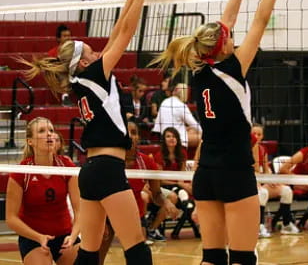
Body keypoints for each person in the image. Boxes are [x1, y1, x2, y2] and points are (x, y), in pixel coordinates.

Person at [150, 0, 305, 265]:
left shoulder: (198, 68)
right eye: (229, 37)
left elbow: (225, 22)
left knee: (212, 257)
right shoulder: (234, 66)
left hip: (206, 173)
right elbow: (260, 19)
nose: (233, 37)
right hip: (235, 171)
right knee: (243, 258)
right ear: (222, 47)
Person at [18, 0, 157, 265]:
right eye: (91, 51)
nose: (98, 52)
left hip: (91, 170)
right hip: (107, 168)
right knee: (136, 247)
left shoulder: (85, 78)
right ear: (83, 62)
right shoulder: (94, 74)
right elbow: (128, 32)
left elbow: (119, 28)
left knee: (90, 253)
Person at [98, 120, 177, 264]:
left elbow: (156, 194)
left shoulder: (146, 162)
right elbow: (98, 193)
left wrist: (166, 202)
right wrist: (100, 221)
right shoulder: (109, 161)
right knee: (97, 257)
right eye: (127, 132)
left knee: (139, 256)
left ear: (138, 137)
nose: (130, 136)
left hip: (134, 215)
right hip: (108, 214)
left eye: (134, 133)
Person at [6, 117, 80, 265]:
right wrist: (39, 237)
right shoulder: (22, 171)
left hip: (64, 234)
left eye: (51, 130)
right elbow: (11, 218)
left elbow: (80, 211)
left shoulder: (66, 166)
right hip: (33, 237)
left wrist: (73, 236)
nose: (49, 134)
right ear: (30, 141)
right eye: (42, 131)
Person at [252, 124, 299, 238]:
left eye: (259, 134)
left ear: (262, 136)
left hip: (261, 181)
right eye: (254, 134)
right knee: (262, 193)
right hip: (248, 183)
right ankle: (259, 226)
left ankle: (286, 224)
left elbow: (266, 171)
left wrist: (272, 180)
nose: (256, 136)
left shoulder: (263, 150)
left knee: (287, 191)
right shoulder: (244, 149)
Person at [152, 83, 202, 148]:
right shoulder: (181, 106)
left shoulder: (165, 101)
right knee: (204, 137)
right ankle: (197, 157)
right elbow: (195, 125)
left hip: (163, 136)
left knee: (192, 130)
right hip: (176, 139)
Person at [48, 24, 73, 106]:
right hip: (58, 76)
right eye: (65, 36)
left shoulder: (75, 50)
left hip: (72, 74)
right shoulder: (52, 52)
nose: (68, 38)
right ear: (59, 38)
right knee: (61, 71)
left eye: (69, 36)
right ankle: (65, 97)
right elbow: (50, 68)